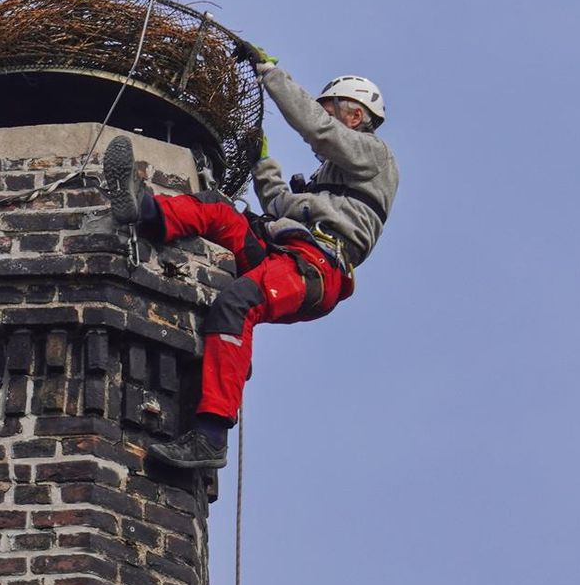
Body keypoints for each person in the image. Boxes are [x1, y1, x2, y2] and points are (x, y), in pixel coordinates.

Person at [103, 42, 398, 470]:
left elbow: (319, 130)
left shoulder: (373, 156)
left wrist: (270, 75)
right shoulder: (329, 179)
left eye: (331, 107)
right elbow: (280, 203)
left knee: (236, 305)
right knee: (220, 211)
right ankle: (143, 207)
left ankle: (210, 437)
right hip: (284, 249)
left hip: (316, 267)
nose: (325, 114)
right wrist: (263, 161)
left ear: (355, 114)